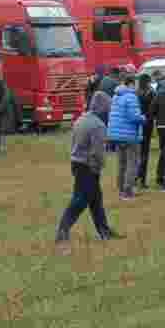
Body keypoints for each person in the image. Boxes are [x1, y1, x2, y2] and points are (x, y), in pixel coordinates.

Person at [55, 91, 119, 242]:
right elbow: (97, 152)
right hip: (89, 166)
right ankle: (62, 229)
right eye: (108, 109)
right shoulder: (98, 125)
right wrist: (99, 166)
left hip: (76, 163)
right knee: (81, 200)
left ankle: (104, 231)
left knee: (96, 199)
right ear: (103, 109)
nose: (109, 112)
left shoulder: (81, 119)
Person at [108, 74, 146, 200]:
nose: (137, 86)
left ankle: (121, 189)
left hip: (117, 135)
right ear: (131, 83)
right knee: (132, 163)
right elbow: (134, 116)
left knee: (121, 163)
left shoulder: (116, 96)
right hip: (130, 135)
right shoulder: (131, 97)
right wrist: (143, 118)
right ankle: (128, 191)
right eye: (135, 84)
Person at [136, 74, 156, 190]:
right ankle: (142, 179)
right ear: (147, 82)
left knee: (136, 153)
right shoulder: (150, 93)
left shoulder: (136, 93)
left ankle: (134, 178)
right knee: (144, 153)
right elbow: (153, 109)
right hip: (147, 125)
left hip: (136, 125)